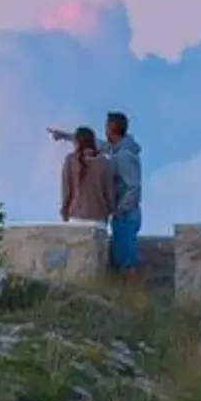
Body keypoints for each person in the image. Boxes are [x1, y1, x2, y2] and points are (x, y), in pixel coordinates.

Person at [47, 111, 144, 281]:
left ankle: (135, 296)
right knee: (122, 261)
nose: (105, 130)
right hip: (123, 214)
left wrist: (119, 210)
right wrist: (66, 136)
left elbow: (133, 188)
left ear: (112, 128)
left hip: (126, 215)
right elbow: (95, 143)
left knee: (126, 264)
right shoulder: (116, 150)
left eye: (107, 126)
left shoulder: (124, 156)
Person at [60, 126, 115, 224]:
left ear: (77, 142)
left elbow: (66, 191)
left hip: (76, 216)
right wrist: (110, 211)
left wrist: (64, 211)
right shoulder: (104, 162)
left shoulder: (71, 160)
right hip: (99, 218)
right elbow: (109, 192)